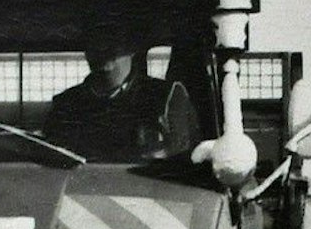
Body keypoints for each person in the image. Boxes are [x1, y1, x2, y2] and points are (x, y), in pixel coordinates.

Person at [43, 40, 197, 160]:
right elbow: (51, 159)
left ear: (133, 47)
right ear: (87, 50)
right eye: (95, 41)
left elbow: (185, 158)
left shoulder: (166, 96)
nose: (103, 48)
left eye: (112, 40)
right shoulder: (65, 104)